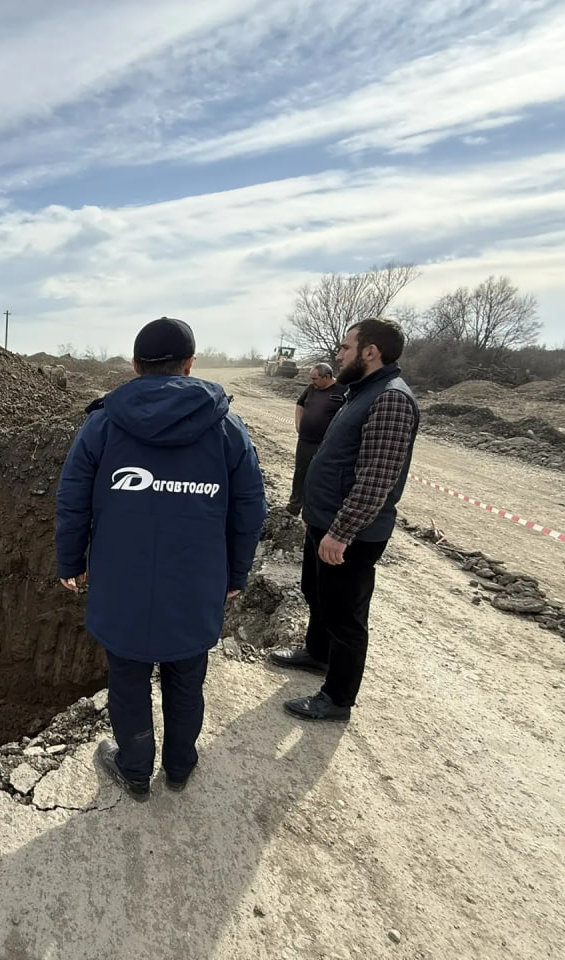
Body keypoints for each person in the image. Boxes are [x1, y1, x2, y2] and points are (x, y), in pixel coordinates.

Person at [55, 317, 268, 800]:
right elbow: (250, 509)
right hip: (196, 586)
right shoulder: (228, 429)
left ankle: (134, 770)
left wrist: (70, 562)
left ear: (135, 365)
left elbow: (73, 499)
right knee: (186, 679)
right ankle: (179, 767)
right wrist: (235, 573)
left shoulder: (103, 424)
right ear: (189, 364)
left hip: (121, 585)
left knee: (128, 681)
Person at [269, 317, 420, 722]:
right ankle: (317, 654)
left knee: (345, 616)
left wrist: (341, 532)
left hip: (351, 533)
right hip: (326, 521)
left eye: (345, 347)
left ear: (371, 352)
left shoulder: (390, 398)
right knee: (316, 593)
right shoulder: (361, 392)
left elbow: (377, 479)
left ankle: (337, 698)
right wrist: (315, 517)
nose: (338, 355)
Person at [285, 362, 346, 517]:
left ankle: (312, 510)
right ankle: (294, 506)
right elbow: (300, 403)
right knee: (301, 472)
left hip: (325, 443)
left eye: (315, 379)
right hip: (305, 440)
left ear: (327, 377)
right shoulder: (312, 389)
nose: (312, 382)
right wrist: (299, 422)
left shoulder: (343, 390)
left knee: (319, 476)